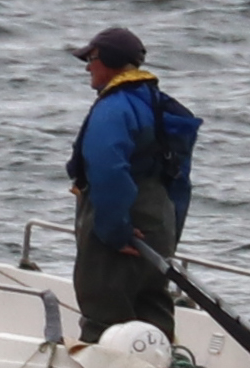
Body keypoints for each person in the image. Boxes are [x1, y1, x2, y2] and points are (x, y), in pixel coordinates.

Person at [65, 27, 203, 347]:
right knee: (152, 302)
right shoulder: (158, 104)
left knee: (104, 304)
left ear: (111, 60)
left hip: (124, 217)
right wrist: (168, 233)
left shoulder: (114, 107)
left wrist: (115, 229)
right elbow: (180, 176)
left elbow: (107, 167)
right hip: (159, 217)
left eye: (92, 58)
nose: (87, 66)